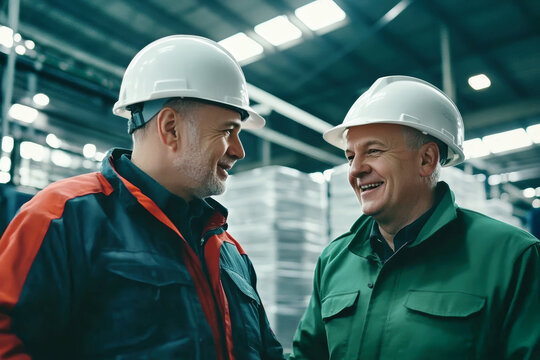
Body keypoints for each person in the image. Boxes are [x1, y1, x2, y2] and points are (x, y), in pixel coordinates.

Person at [0, 35, 284, 360]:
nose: (239, 151)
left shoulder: (230, 252)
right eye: (226, 131)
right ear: (171, 128)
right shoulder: (61, 218)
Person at [289, 76, 540, 359]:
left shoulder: (510, 257)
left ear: (426, 160)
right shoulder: (335, 260)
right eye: (350, 156)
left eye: (373, 151)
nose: (356, 169)